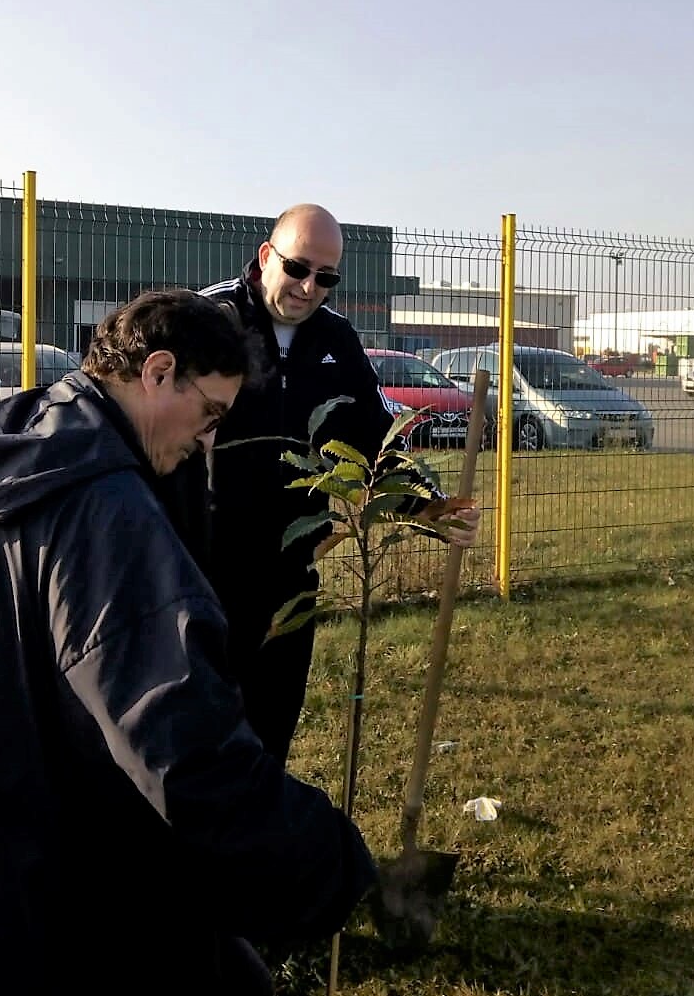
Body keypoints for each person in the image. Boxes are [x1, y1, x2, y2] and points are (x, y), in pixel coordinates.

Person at [0, 290, 380, 996]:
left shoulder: (12, 456)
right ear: (159, 371)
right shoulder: (104, 510)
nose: (208, 442)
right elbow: (181, 742)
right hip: (50, 881)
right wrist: (328, 860)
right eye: (209, 415)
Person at [190, 204, 481, 765]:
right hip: (199, 567)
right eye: (298, 268)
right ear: (265, 257)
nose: (307, 287)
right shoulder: (209, 321)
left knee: (270, 732)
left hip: (289, 575)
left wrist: (430, 507)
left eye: (326, 278)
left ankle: (258, 841)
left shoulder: (335, 339)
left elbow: (376, 438)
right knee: (195, 733)